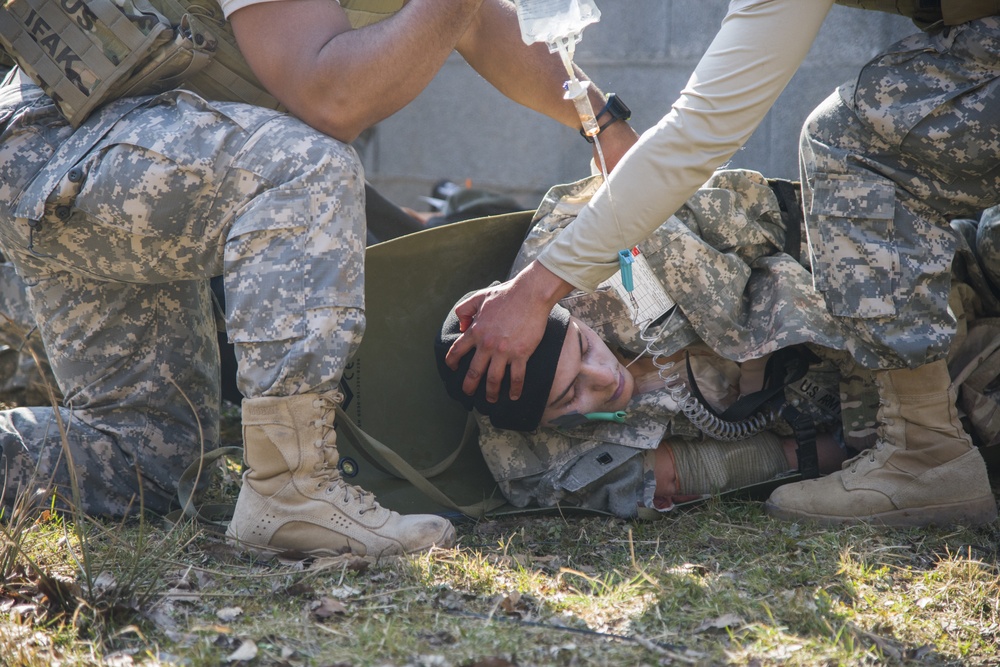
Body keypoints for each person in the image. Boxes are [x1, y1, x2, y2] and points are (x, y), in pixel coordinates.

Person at [0, 0, 639, 560]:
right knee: (306, 169)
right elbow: (332, 96)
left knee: (149, 456)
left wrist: (601, 123)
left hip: (116, 153)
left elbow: (472, 20)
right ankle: (292, 494)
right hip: (64, 146)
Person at [445, 1, 1000, 527]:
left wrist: (606, 129)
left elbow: (729, 183)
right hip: (926, 394)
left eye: (583, 358)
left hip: (908, 287)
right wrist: (829, 452)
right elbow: (654, 477)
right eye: (569, 402)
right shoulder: (532, 449)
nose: (599, 385)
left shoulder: (604, 247)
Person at [436, 296, 852, 516]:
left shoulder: (578, 264)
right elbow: (714, 466)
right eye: (569, 395)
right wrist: (859, 448)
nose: (604, 377)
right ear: (543, 424)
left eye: (583, 348)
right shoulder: (541, 464)